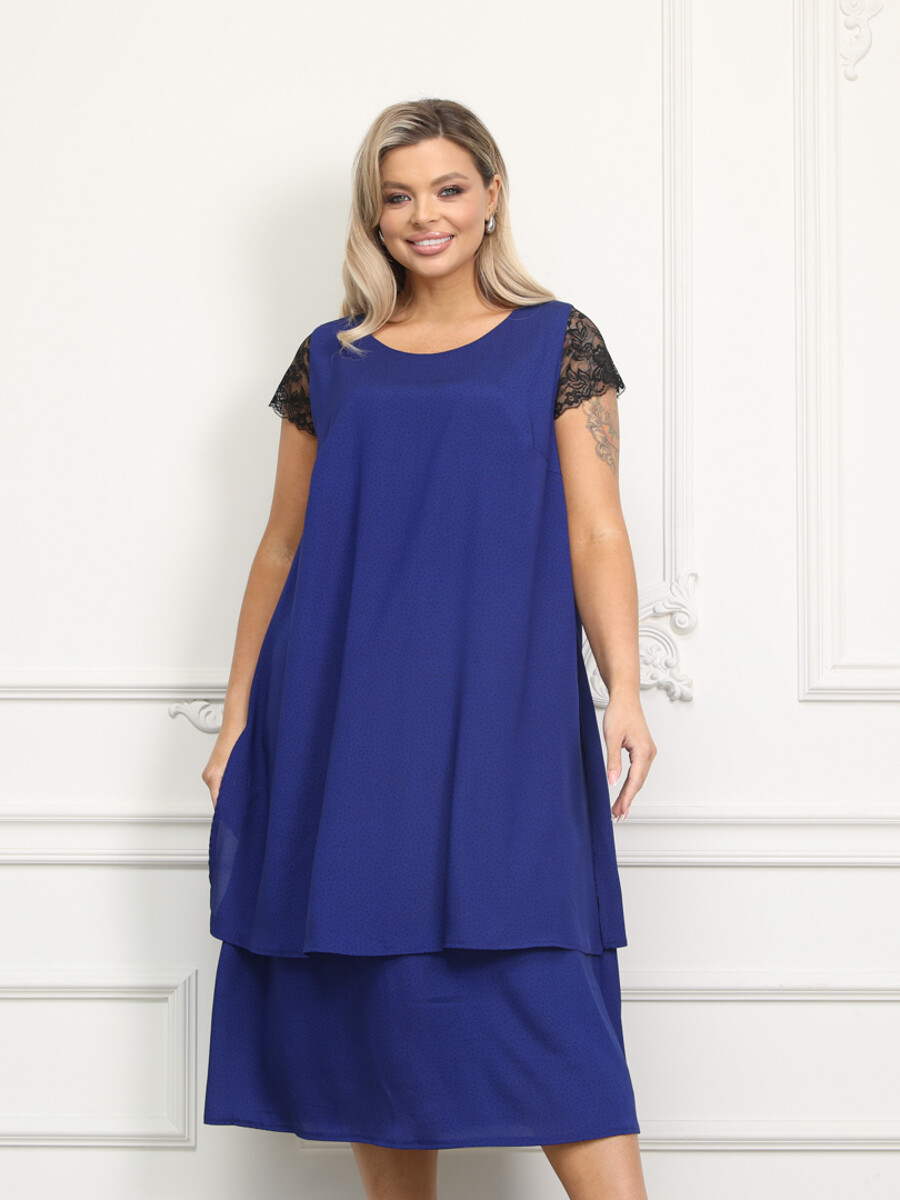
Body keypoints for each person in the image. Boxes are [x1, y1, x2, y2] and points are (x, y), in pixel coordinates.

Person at [202, 97, 655, 1200]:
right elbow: (281, 546)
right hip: (341, 718)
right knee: (375, 1018)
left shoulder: (559, 341)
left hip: (503, 715)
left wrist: (626, 690)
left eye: (449, 189)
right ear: (374, 215)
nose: (424, 216)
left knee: (548, 1000)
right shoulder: (331, 358)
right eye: (397, 196)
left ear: (492, 195)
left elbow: (597, 530)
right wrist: (238, 716)